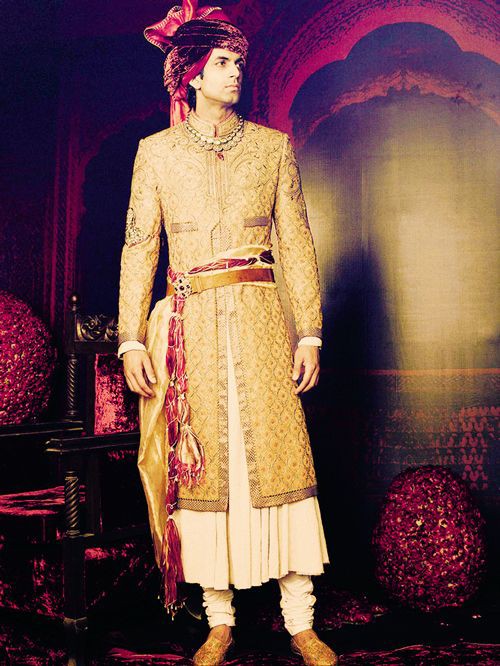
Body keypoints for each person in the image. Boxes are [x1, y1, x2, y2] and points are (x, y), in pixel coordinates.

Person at [117, 2, 337, 664]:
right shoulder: (156, 154)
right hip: (190, 334)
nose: (236, 72)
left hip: (264, 325)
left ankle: (301, 622)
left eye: (239, 61)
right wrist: (131, 339)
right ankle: (220, 621)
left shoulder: (273, 148)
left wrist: (310, 333)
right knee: (204, 470)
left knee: (279, 459)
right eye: (222, 62)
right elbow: (139, 248)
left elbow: (296, 244)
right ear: (191, 76)